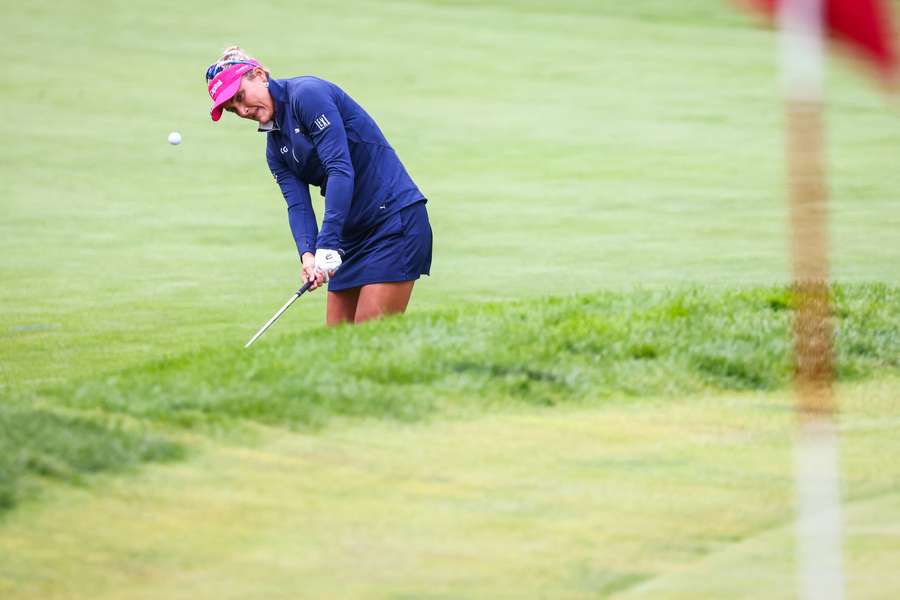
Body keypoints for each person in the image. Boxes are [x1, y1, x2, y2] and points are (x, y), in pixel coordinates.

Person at [205, 46, 432, 325]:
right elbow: (298, 205)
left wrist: (327, 243)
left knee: (369, 343)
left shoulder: (306, 95)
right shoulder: (274, 149)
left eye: (240, 97)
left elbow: (339, 169)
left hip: (393, 223)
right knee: (335, 347)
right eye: (232, 109)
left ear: (260, 75)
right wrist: (309, 255)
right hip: (351, 236)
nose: (242, 110)